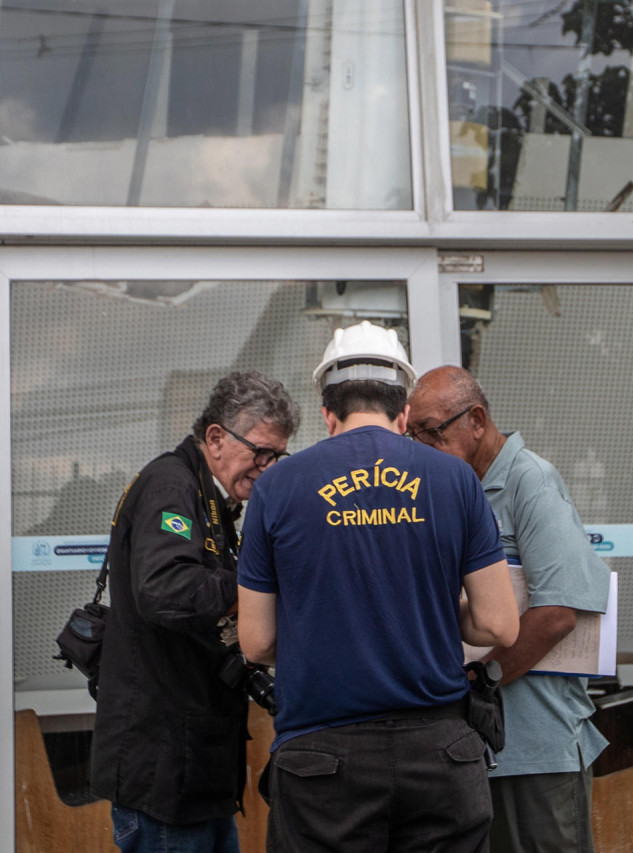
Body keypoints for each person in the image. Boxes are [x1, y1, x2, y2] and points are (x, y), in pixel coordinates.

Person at [235, 321, 520, 853]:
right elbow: (499, 624)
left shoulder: (277, 486)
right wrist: (433, 613)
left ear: (327, 413)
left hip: (323, 764)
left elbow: (256, 642)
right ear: (404, 410)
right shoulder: (456, 480)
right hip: (441, 758)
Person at [91, 371, 301, 853]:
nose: (268, 468)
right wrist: (258, 581)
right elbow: (165, 590)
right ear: (216, 438)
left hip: (194, 769)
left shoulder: (214, 500)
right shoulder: (171, 485)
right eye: (261, 453)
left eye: (278, 456)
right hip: (164, 770)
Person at [406, 366, 612, 853]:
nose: (419, 447)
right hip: (469, 747)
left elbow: (559, 612)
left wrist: (478, 683)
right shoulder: (445, 489)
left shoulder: (530, 482)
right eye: (411, 434)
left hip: (537, 748)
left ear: (476, 419)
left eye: (431, 431)